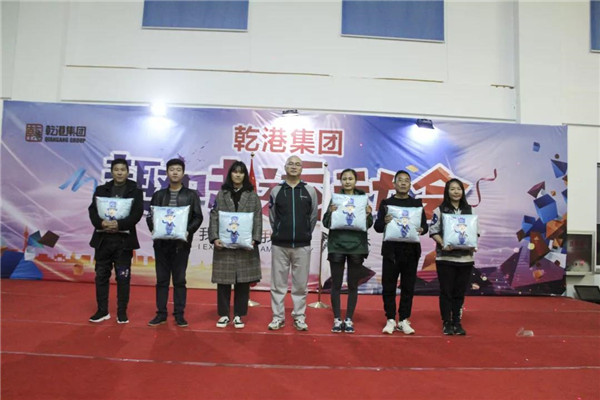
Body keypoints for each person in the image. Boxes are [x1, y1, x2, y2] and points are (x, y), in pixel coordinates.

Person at [147, 158, 203, 327]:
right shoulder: (159, 195)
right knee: (162, 280)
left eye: (178, 169)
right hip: (161, 244)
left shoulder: (191, 195)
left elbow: (198, 217)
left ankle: (179, 314)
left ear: (183, 173)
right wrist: (155, 229)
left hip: (181, 245)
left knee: (179, 280)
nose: (175, 173)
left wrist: (187, 231)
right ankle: (161, 314)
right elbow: (150, 216)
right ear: (167, 173)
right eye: (172, 169)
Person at [88, 158, 144, 324]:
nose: (120, 172)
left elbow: (137, 213)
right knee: (101, 276)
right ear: (112, 171)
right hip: (103, 241)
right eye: (116, 169)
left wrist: (119, 224)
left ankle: (121, 312)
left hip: (124, 242)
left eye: (123, 170)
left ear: (127, 172)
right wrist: (102, 223)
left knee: (123, 278)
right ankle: (102, 311)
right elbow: (92, 211)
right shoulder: (101, 190)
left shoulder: (135, 191)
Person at [208, 161, 262, 329]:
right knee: (223, 282)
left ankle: (239, 315)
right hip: (224, 245)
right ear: (230, 174)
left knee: (242, 282)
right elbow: (214, 216)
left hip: (245, 246)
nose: (238, 175)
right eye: (235, 172)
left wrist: (255, 238)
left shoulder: (252, 196)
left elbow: (258, 218)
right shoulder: (221, 194)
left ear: (245, 175)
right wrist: (214, 237)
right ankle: (224, 315)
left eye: (241, 172)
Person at [374, 170, 428, 335]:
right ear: (394, 184)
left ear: (410, 184)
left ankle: (404, 319)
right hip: (391, 252)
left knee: (408, 287)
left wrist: (422, 229)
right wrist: (384, 221)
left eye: (406, 180)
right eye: (400, 180)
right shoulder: (386, 203)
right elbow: (377, 227)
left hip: (411, 251)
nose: (403, 183)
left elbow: (424, 227)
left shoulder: (416, 204)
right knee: (388, 286)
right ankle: (390, 318)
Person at [268, 155, 318, 331]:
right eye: (291, 164)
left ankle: (299, 316)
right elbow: (273, 217)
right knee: (278, 284)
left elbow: (313, 216)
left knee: (300, 285)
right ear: (285, 167)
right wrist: (280, 231)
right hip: (280, 245)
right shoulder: (276, 191)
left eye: (297, 164)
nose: (294, 167)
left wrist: (304, 233)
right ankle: (277, 317)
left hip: (302, 245)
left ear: (302, 169)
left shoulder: (310, 190)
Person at [322, 168, 373, 333]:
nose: (347, 181)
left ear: (355, 181)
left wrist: (368, 215)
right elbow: (326, 222)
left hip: (356, 247)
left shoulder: (362, 199)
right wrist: (330, 212)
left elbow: (368, 224)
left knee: (352, 285)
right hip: (337, 245)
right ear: (341, 181)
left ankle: (349, 319)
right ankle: (337, 319)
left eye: (350, 178)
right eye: (344, 179)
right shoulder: (336, 199)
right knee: (336, 284)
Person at [429, 178, 477, 336]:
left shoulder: (470, 210)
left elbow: (475, 232)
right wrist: (443, 243)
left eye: (458, 189)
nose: (456, 192)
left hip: (466, 259)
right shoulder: (440, 210)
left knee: (459, 292)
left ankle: (457, 321)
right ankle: (446, 323)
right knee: (446, 292)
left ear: (462, 191)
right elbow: (433, 231)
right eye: (452, 189)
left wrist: (472, 243)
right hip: (445, 259)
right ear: (447, 192)